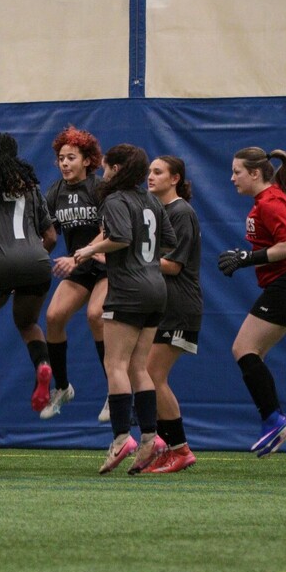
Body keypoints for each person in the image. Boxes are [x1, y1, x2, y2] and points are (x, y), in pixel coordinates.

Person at [71, 144, 175, 475]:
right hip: (156, 288)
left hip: (129, 290)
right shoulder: (152, 201)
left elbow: (121, 237)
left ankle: (120, 438)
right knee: (138, 367)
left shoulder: (115, 200)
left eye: (105, 167)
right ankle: (149, 438)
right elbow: (168, 241)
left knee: (114, 364)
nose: (102, 172)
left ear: (116, 169)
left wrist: (89, 250)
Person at [218, 147, 286, 458]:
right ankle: (274, 420)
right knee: (251, 353)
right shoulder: (269, 200)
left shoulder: (271, 202)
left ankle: (274, 420)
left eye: (237, 172)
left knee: (243, 349)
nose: (232, 178)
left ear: (255, 173)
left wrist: (246, 258)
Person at [0, 132, 57, 421]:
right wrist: (29, 261)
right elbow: (51, 237)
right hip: (37, 262)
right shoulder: (31, 187)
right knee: (28, 323)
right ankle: (43, 365)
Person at [39, 126, 109, 421]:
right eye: (61, 158)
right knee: (54, 317)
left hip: (106, 265)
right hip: (78, 267)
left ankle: (116, 391)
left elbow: (110, 231)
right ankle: (63, 387)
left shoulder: (99, 188)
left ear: (87, 160)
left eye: (71, 157)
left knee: (96, 315)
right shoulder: (55, 193)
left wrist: (79, 256)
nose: (65, 163)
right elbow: (46, 234)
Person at [141, 155, 201, 473]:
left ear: (175, 178)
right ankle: (164, 449)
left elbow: (174, 266)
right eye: (149, 171)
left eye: (158, 172)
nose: (150, 176)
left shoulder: (181, 212)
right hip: (161, 306)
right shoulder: (157, 212)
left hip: (180, 307)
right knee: (147, 375)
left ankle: (180, 450)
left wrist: (133, 258)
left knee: (153, 375)